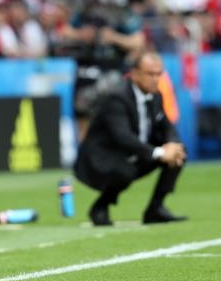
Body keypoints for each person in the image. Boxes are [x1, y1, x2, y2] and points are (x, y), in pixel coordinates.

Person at [74, 51, 187, 226]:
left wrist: (173, 145)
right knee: (126, 171)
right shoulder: (117, 97)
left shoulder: (156, 95)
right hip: (103, 158)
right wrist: (159, 152)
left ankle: (155, 208)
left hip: (134, 152)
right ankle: (100, 207)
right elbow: (122, 137)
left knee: (179, 154)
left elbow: (166, 125)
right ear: (134, 74)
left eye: (159, 74)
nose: (155, 79)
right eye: (150, 74)